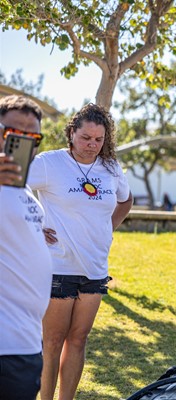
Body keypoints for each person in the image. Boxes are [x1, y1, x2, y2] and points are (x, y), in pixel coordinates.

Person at [27, 103, 133, 400]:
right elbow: (9, 184)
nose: (92, 145)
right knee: (52, 342)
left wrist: (108, 229)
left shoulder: (110, 167)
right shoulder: (49, 164)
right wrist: (32, 225)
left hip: (95, 268)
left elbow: (125, 200)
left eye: (99, 140)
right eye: (86, 138)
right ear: (71, 133)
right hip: (58, 266)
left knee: (78, 339)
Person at [0, 95, 53, 399]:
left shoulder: (25, 188)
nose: (22, 140)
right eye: (12, 132)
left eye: (31, 135)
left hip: (28, 343)